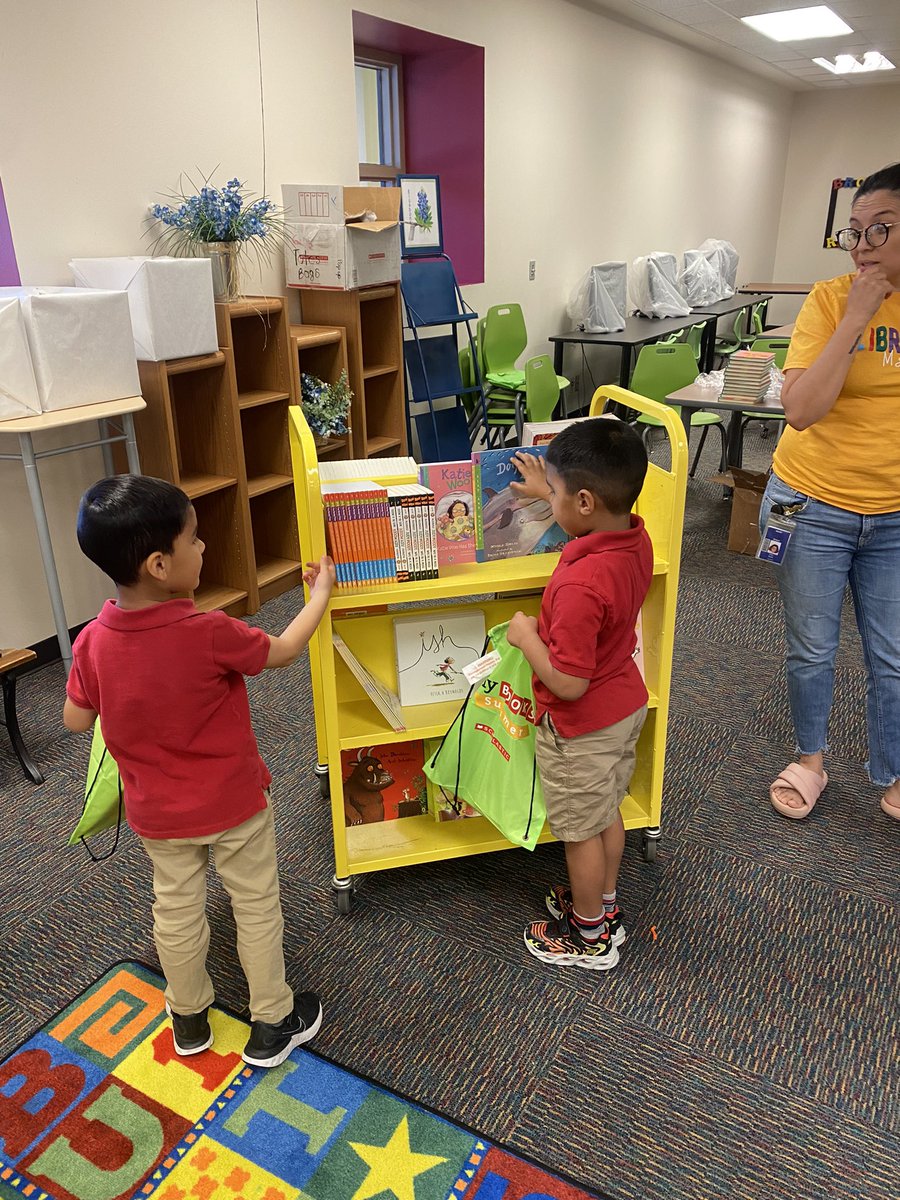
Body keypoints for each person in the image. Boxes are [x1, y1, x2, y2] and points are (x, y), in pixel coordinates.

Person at [63, 475, 336, 1066]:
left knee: (177, 909)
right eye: (195, 539)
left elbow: (75, 720)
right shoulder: (208, 631)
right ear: (161, 564)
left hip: (157, 815)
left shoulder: (91, 643)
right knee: (256, 904)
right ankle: (272, 1020)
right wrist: (319, 597)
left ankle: (188, 1018)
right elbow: (283, 650)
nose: (205, 547)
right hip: (233, 803)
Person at [761, 162, 900, 824]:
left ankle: (894, 767)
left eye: (882, 228)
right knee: (812, 645)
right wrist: (856, 317)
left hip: (895, 515)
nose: (864, 244)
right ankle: (810, 761)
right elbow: (800, 409)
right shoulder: (829, 298)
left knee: (893, 655)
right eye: (855, 231)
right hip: (809, 503)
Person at [506, 420, 652, 969]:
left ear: (585, 501)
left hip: (582, 726)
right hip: (623, 707)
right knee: (607, 811)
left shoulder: (577, 587)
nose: (554, 499)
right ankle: (604, 905)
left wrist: (526, 638)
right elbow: (587, 518)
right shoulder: (632, 537)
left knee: (579, 834)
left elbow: (568, 682)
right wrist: (548, 487)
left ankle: (589, 938)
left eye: (560, 493)